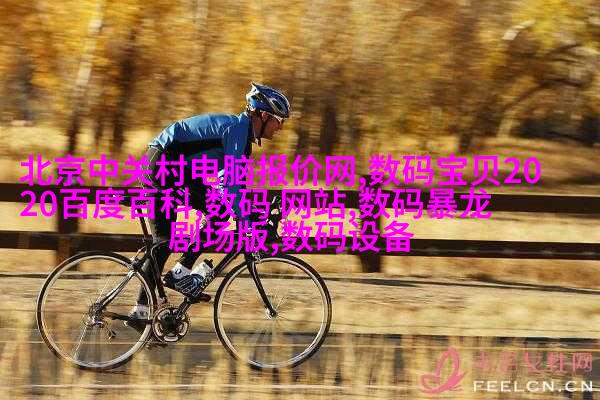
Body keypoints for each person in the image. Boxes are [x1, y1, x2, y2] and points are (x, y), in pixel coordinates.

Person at [128, 82, 291, 324]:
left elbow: (233, 185)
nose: (281, 127)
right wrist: (246, 219)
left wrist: (250, 213)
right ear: (264, 115)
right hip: (163, 166)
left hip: (173, 168)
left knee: (209, 216)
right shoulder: (238, 130)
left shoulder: (241, 135)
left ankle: (157, 295)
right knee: (166, 240)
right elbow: (230, 187)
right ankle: (164, 288)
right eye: (279, 120)